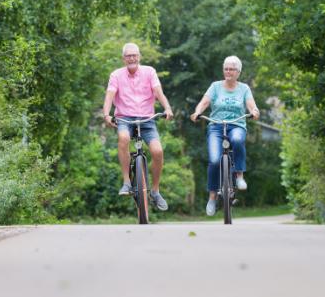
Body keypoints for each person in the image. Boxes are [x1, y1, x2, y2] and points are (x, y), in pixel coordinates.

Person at [103, 43, 174, 211]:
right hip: (125, 118)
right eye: (128, 56)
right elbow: (109, 95)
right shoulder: (116, 75)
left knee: (158, 151)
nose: (132, 58)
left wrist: (167, 108)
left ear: (139, 56)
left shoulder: (150, 72)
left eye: (134, 55)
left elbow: (158, 92)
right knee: (124, 138)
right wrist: (106, 114)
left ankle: (155, 191)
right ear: (123, 58)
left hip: (147, 119)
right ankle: (127, 182)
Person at [190, 55, 260, 216]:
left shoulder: (244, 88)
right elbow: (204, 102)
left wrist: (254, 111)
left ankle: (240, 175)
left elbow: (251, 105)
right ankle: (212, 197)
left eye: (232, 69)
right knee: (214, 160)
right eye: (226, 69)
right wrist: (197, 112)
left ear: (238, 72)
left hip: (236, 125)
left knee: (237, 139)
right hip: (216, 126)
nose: (228, 72)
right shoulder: (215, 86)